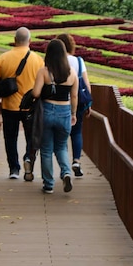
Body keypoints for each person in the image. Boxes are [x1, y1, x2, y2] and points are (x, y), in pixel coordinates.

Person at [0, 27, 44, 180]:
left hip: (9, 106)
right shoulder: (38, 59)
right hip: (30, 107)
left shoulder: (4, 58)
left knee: (10, 138)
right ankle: (28, 158)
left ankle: (14, 169)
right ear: (30, 41)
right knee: (31, 137)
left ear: (14, 41)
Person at [32, 38, 78, 194]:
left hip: (47, 110)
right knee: (61, 147)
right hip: (64, 112)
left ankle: (49, 184)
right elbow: (74, 96)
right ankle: (66, 172)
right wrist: (73, 114)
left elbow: (36, 93)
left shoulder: (44, 72)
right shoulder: (72, 73)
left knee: (46, 150)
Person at [57, 33, 92, 178]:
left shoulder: (56, 60)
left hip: (59, 101)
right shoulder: (78, 61)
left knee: (62, 135)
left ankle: (64, 165)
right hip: (76, 102)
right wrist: (89, 102)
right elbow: (86, 82)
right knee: (77, 132)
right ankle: (76, 160)